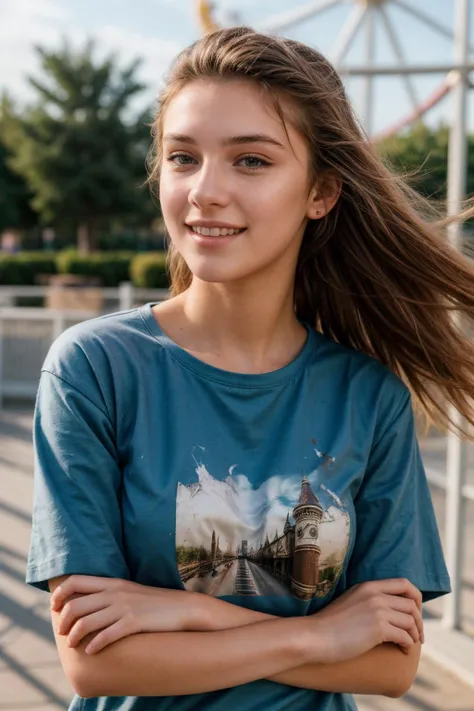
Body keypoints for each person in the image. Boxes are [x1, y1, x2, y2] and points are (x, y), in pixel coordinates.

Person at [28, 25, 474, 711]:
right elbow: (97, 661)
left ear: (321, 192)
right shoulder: (96, 370)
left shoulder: (367, 396)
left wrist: (180, 612)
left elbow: (390, 662)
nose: (204, 190)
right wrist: (318, 637)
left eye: (252, 161)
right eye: (183, 157)